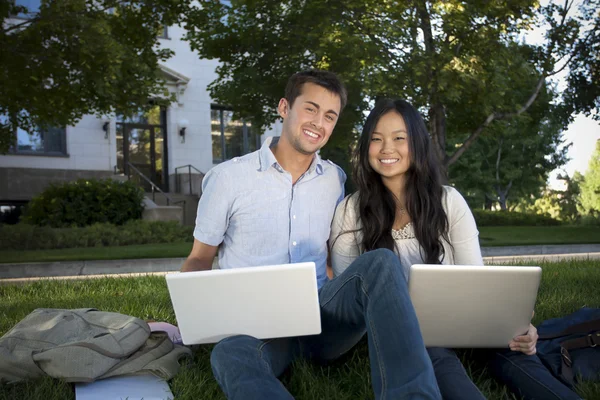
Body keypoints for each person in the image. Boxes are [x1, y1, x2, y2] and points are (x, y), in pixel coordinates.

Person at [181, 71, 442, 399]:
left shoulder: (334, 179)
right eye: (310, 109)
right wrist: (192, 319)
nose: (318, 122)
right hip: (254, 327)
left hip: (322, 320)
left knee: (380, 263)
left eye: (329, 116)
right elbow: (199, 258)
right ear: (284, 107)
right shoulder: (227, 178)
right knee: (230, 354)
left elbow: (334, 259)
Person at [329, 98, 583, 400]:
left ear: (418, 144)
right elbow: (349, 299)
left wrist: (515, 324)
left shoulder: (448, 201)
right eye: (376, 139)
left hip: (464, 321)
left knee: (514, 350)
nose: (387, 149)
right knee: (433, 354)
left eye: (399, 138)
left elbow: (476, 279)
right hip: (405, 333)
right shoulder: (350, 211)